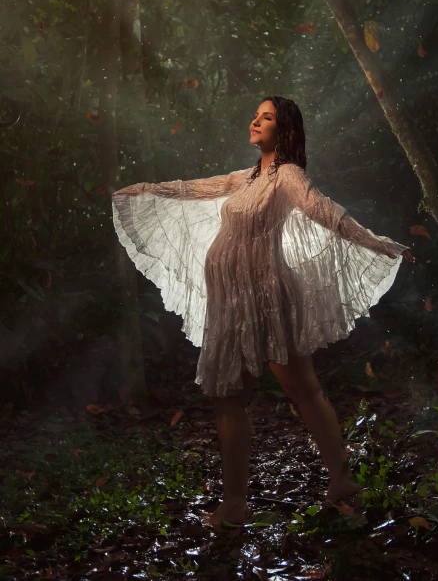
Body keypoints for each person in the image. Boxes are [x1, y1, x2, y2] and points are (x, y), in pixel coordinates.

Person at [112, 96, 414, 528]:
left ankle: (342, 480)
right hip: (232, 301)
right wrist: (144, 191)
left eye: (267, 117)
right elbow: (195, 188)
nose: (255, 120)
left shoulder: (286, 175)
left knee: (301, 387)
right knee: (228, 397)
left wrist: (378, 243)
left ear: (284, 130)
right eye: (256, 114)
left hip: (268, 295)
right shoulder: (248, 176)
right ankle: (235, 502)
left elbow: (321, 210)